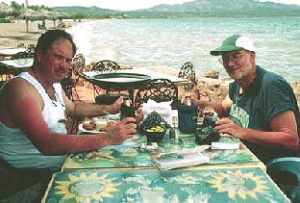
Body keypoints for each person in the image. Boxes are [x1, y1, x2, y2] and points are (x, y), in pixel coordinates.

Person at [0, 29, 136, 200]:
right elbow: (46, 143)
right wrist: (108, 138)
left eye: (68, 60)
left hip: (57, 162)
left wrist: (109, 109)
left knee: (119, 169)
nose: (64, 65)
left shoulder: (52, 82)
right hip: (25, 178)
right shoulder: (21, 89)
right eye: (57, 57)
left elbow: (73, 108)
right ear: (40, 55)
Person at [191, 34, 300, 164]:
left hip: (275, 169)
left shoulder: (271, 86)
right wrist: (199, 103)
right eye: (225, 59)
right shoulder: (238, 84)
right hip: (246, 157)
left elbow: (291, 140)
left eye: (236, 56)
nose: (230, 63)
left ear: (252, 56)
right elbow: (226, 108)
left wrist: (242, 132)